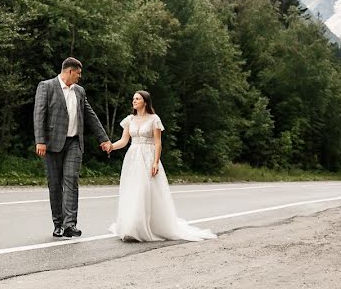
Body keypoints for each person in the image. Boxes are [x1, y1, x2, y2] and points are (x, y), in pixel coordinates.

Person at [108, 91, 216, 242]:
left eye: (137, 99)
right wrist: (111, 147)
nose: (134, 101)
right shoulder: (129, 120)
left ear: (145, 102)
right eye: (133, 99)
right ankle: (131, 227)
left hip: (148, 157)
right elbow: (124, 141)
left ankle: (146, 227)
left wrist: (155, 162)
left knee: (145, 191)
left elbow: (158, 143)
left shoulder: (154, 119)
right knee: (132, 190)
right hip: (132, 158)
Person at [34, 57, 112, 239]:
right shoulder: (46, 86)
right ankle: (58, 224)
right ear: (69, 71)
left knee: (71, 181)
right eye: (78, 73)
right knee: (55, 185)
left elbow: (90, 115)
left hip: (74, 143)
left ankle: (70, 225)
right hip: (52, 143)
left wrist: (104, 138)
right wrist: (40, 140)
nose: (79, 77)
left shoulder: (80, 91)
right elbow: (39, 115)